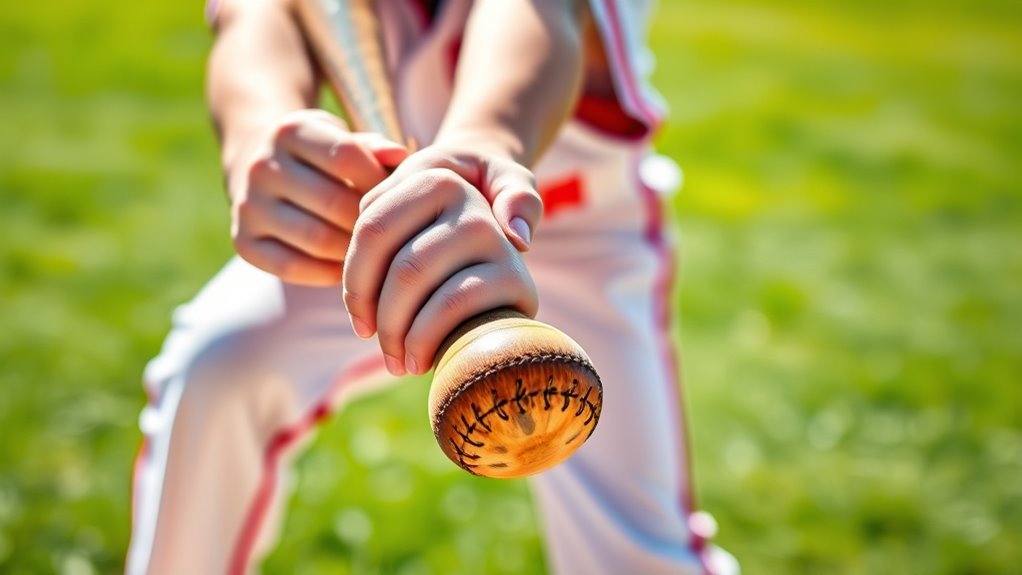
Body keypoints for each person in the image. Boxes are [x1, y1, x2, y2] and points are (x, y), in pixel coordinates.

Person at [127, 0, 734, 573]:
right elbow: (255, 19)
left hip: (572, 224)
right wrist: (258, 137)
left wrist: (481, 145)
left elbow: (542, 13)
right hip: (376, 220)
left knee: (637, 550)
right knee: (219, 367)